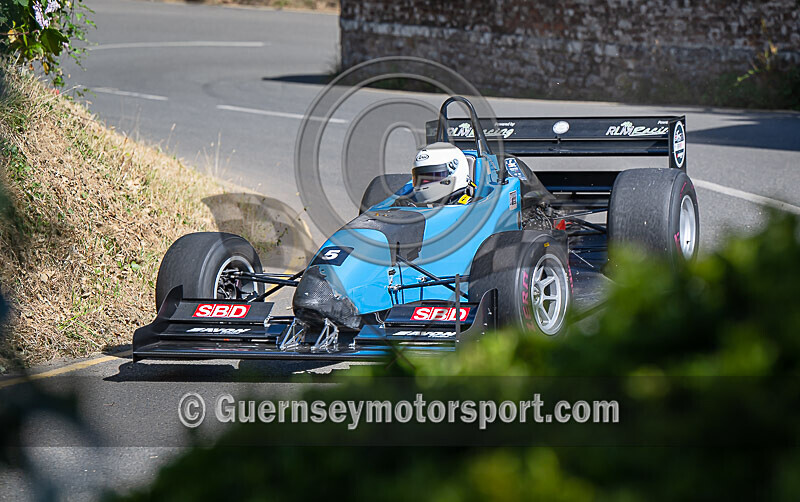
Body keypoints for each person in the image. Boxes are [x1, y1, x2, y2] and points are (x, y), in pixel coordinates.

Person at [410, 142, 476, 206]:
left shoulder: (474, 208)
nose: (424, 183)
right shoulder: (411, 204)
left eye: (432, 177)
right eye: (419, 179)